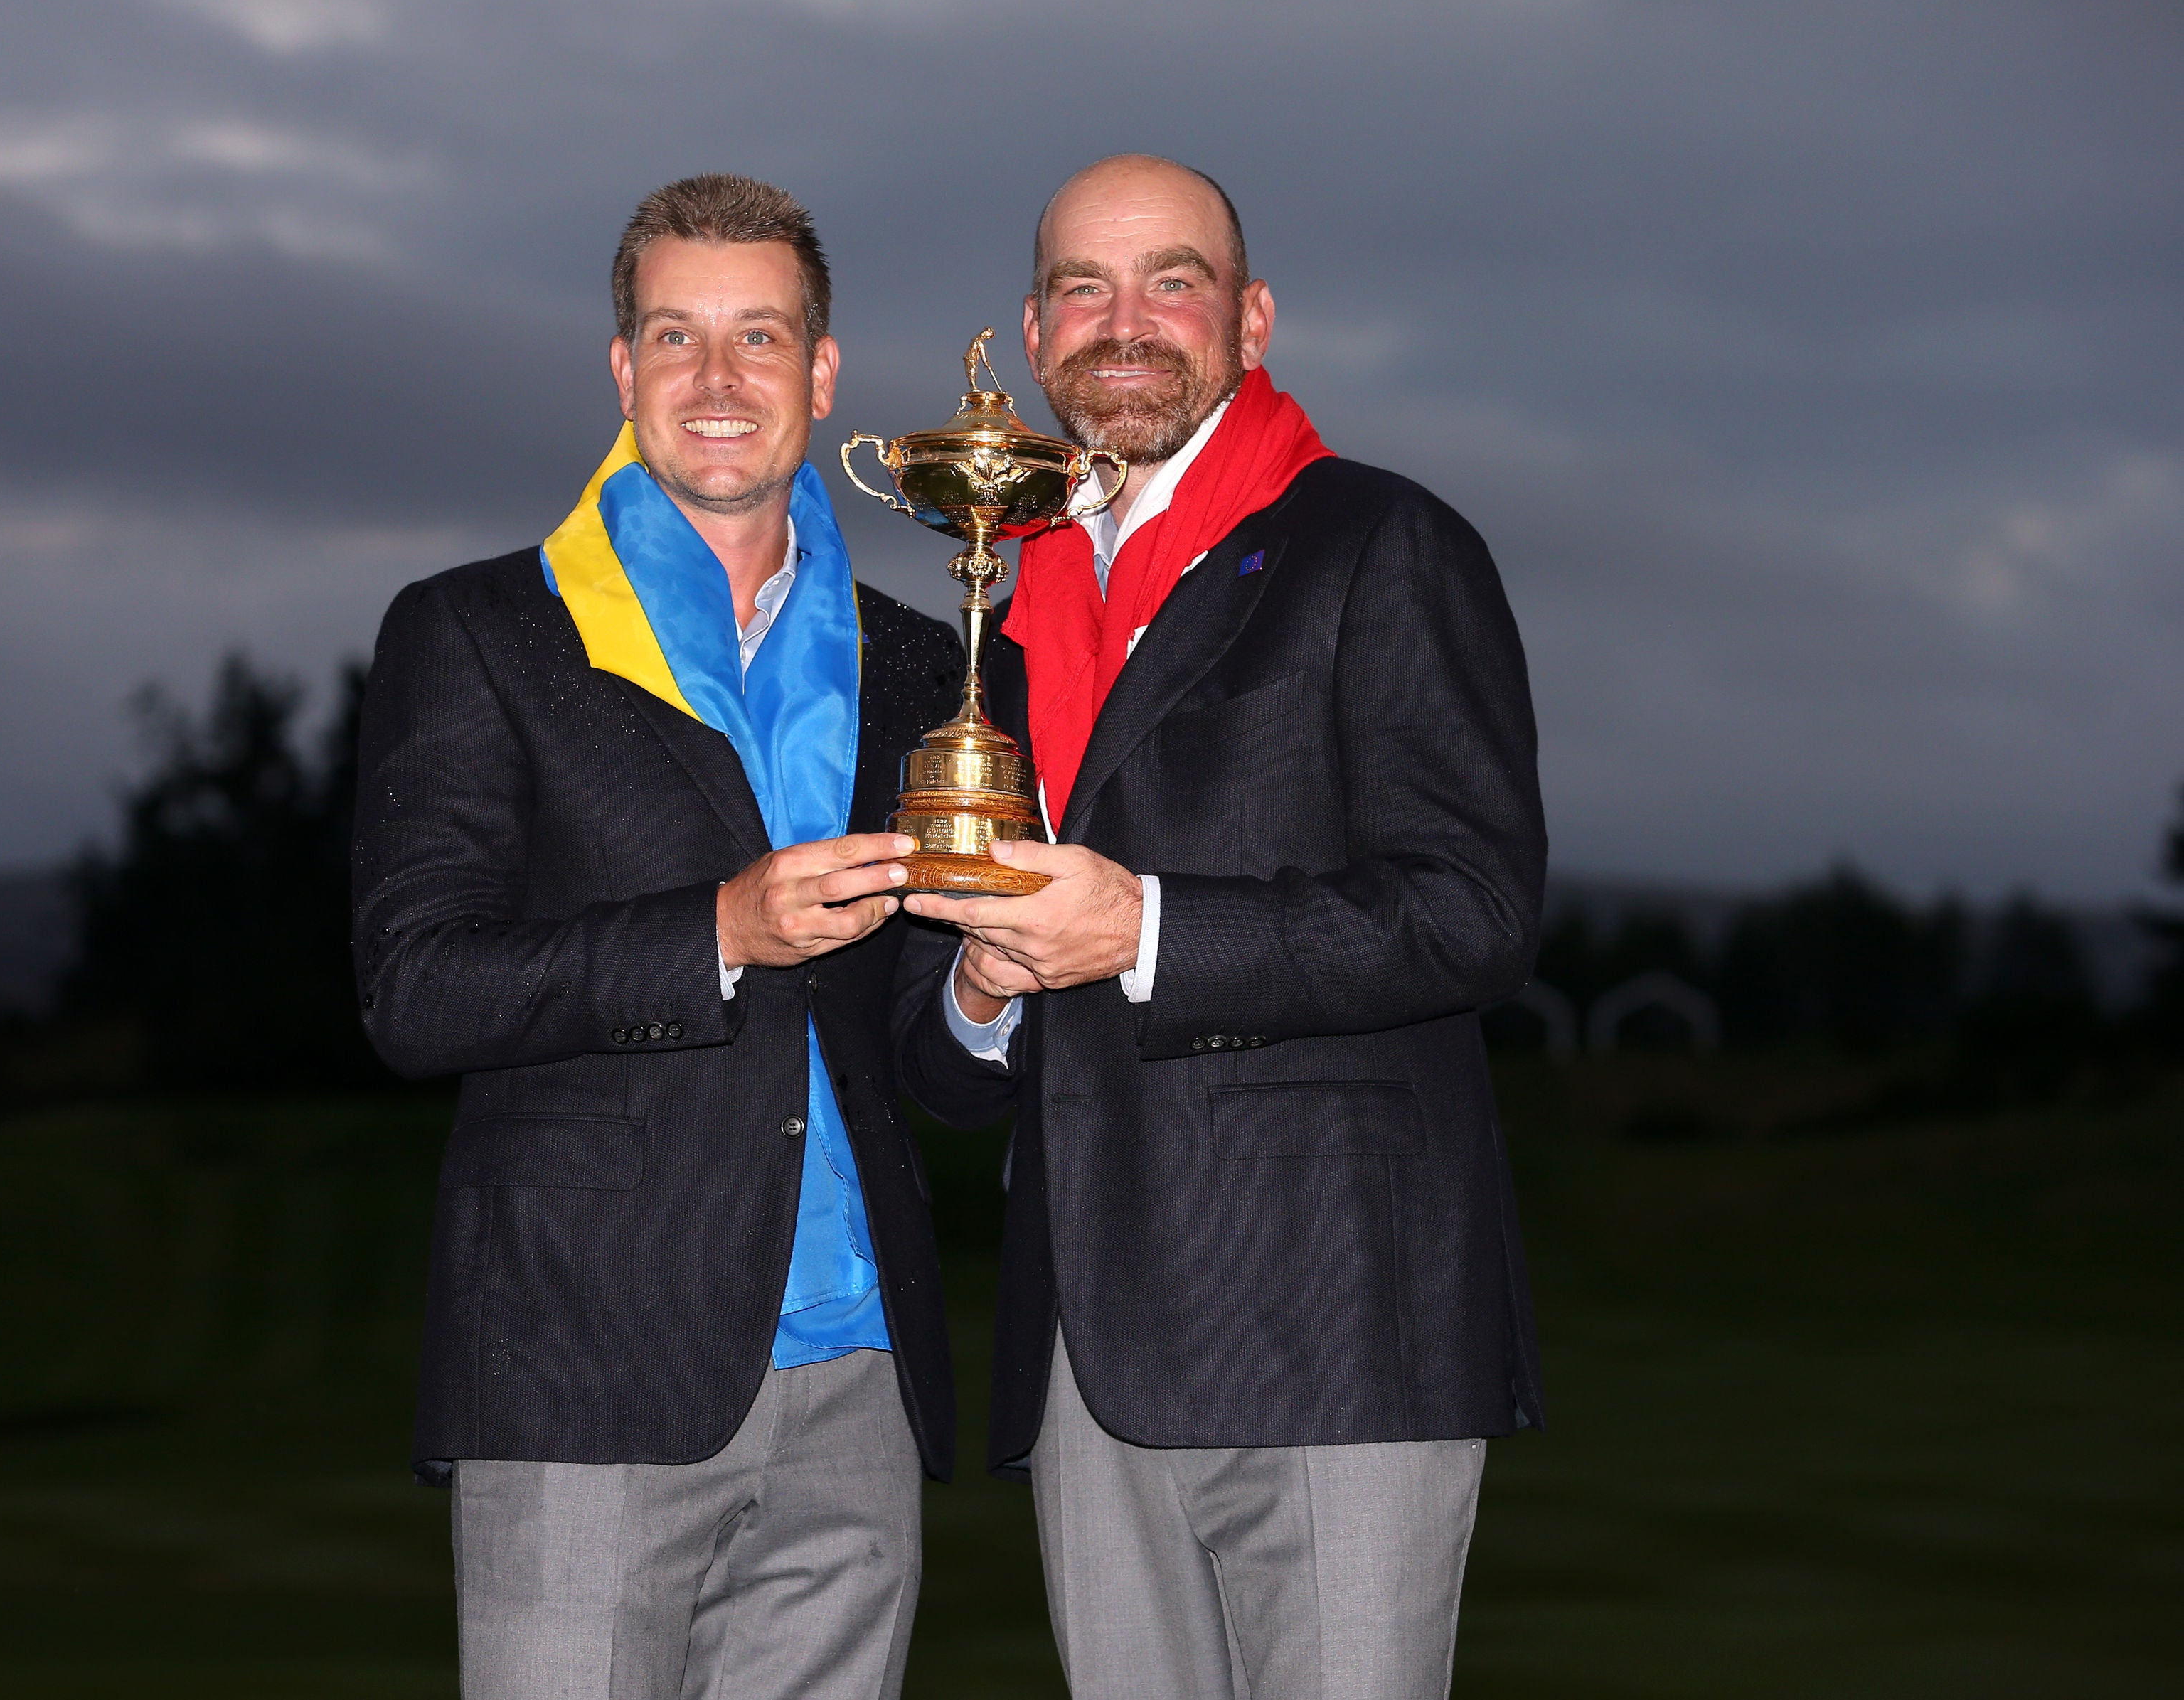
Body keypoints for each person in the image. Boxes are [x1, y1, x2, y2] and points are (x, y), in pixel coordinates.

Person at [895, 154, 1548, 1700]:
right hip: (1082, 1348)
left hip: (1331, 1327)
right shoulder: (999, 597)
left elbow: (1474, 907)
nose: (1124, 324)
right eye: (1082, 289)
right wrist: (981, 988)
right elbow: (947, 1057)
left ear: (1249, 318)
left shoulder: (1381, 544)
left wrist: (1143, 925)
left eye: (1170, 280)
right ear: (1034, 338)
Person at [351, 173, 964, 1700]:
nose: (716, 379)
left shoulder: (920, 664)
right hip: (582, 1376)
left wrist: (990, 997)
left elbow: (921, 1063)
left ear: (822, 376)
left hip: (860, 1383)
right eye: (674, 336)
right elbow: (416, 989)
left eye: (759, 335)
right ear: (620, 370)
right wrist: (717, 929)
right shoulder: (482, 632)